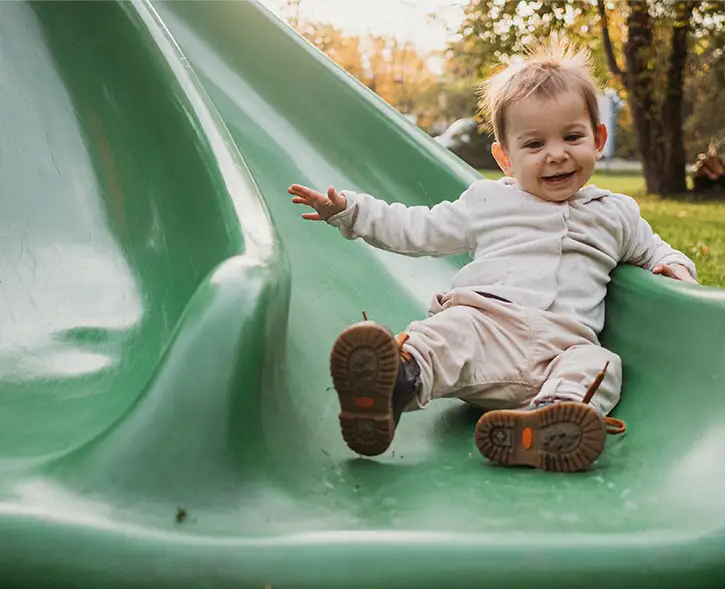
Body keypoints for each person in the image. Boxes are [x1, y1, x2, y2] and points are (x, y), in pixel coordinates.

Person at [287, 41, 698, 473]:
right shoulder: (488, 202)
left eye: (572, 137)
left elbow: (657, 250)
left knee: (600, 364)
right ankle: (391, 385)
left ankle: (551, 419)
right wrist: (352, 211)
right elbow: (416, 228)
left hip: (561, 349)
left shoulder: (616, 214)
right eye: (535, 144)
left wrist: (675, 270)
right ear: (505, 158)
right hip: (486, 328)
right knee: (447, 333)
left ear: (597, 139)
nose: (556, 153)